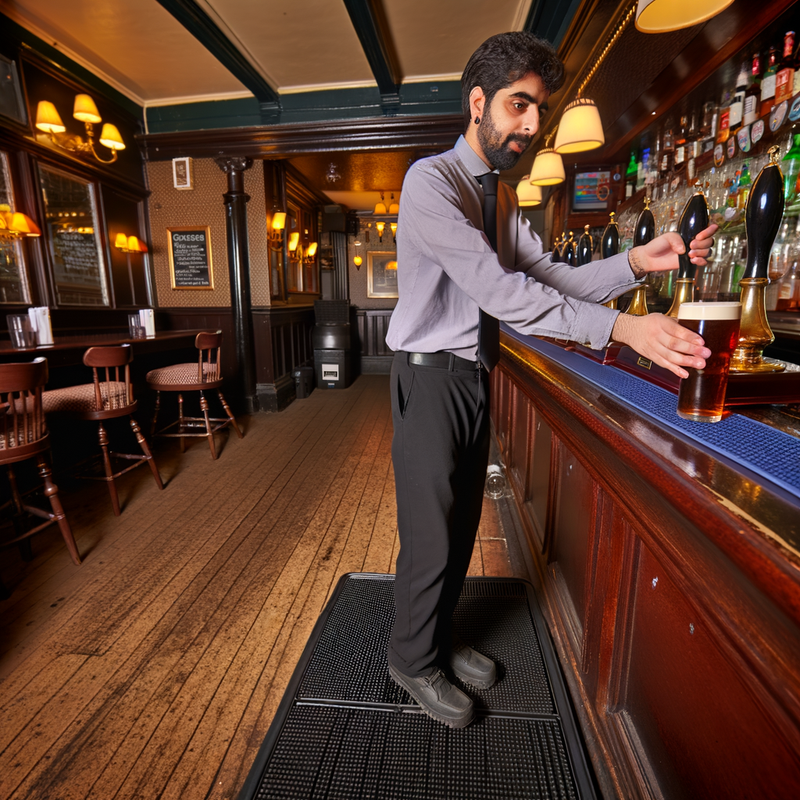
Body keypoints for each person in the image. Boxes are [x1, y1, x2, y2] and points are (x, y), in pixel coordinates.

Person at [384, 31, 716, 729]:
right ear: (478, 103)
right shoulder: (430, 183)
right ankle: (411, 662)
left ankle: (437, 640)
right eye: (519, 105)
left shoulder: (500, 198)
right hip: (429, 379)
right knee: (432, 536)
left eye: (538, 110)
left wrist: (634, 264)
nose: (532, 125)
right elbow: (502, 294)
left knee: (463, 524)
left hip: (474, 375)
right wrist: (624, 329)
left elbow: (555, 280)